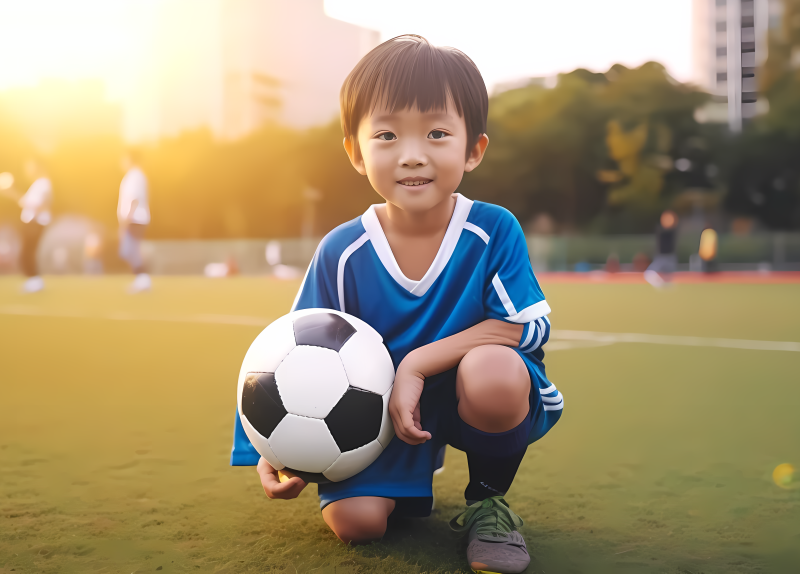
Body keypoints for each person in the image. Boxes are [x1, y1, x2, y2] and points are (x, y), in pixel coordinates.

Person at [230, 35, 557, 574]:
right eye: (386, 134)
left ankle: (488, 501)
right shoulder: (342, 250)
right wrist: (270, 446)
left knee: (495, 372)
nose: (412, 154)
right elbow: (287, 356)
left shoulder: (492, 230)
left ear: (473, 149)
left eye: (436, 133)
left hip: (467, 392)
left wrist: (417, 365)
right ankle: (400, 480)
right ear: (356, 153)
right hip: (374, 415)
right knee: (357, 524)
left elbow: (523, 328)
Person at [117, 150, 151, 292]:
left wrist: (127, 218)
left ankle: (143, 279)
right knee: (129, 250)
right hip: (135, 218)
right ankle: (141, 279)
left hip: (134, 218)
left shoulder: (134, 175)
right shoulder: (136, 175)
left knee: (130, 250)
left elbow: (134, 198)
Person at [17, 159, 53, 293]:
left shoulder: (43, 183)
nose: (27, 170)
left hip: (35, 222)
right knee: (26, 252)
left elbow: (39, 204)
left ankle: (34, 281)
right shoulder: (37, 184)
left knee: (28, 253)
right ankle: (33, 281)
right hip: (32, 221)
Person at [644, 210, 677, 288]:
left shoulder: (672, 231)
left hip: (669, 257)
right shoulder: (660, 229)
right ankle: (660, 285)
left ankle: (664, 287)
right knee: (649, 273)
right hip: (661, 257)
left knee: (667, 278)